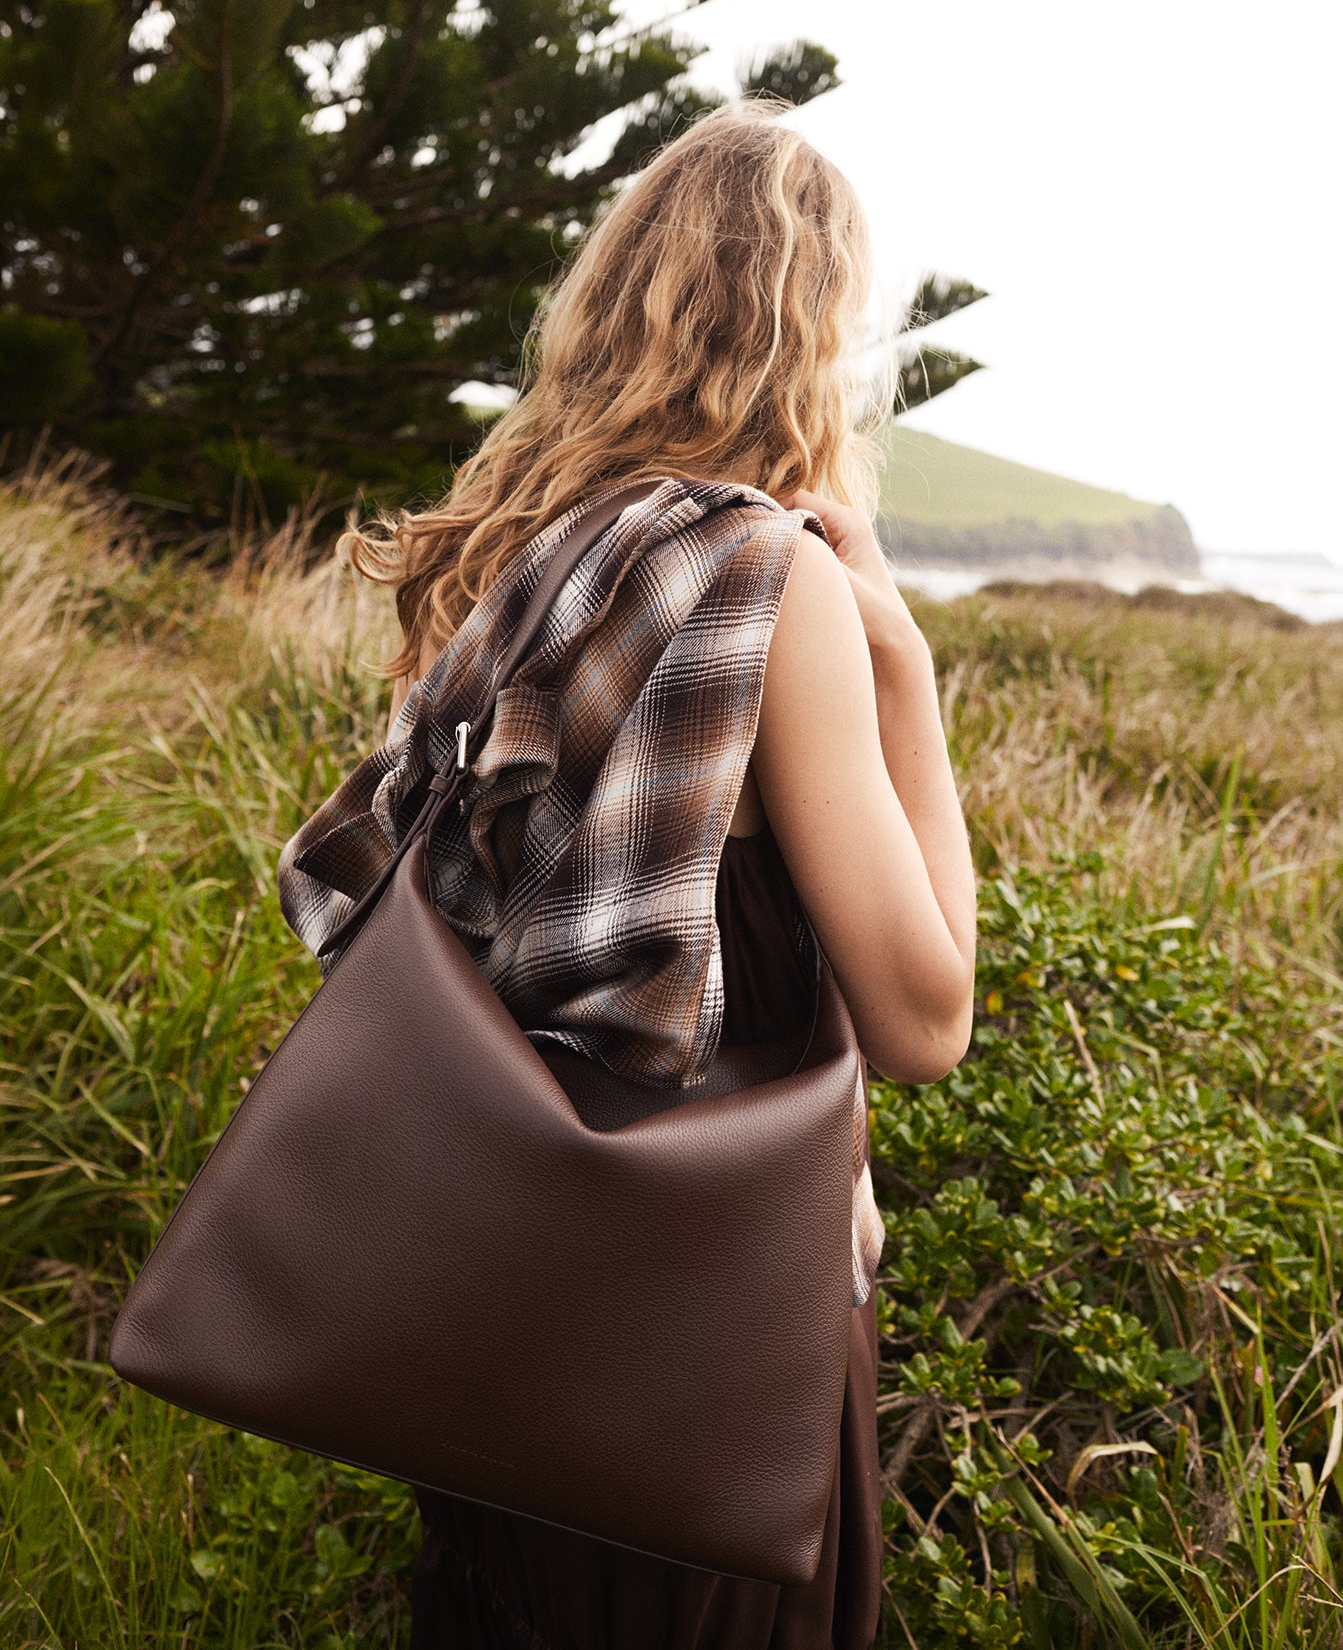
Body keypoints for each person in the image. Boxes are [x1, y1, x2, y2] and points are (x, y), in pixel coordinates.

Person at [329, 99, 976, 1650]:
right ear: (814, 333)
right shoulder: (772, 582)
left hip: (483, 1291)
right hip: (699, 1327)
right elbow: (926, 1018)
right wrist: (907, 673)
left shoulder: (506, 557)